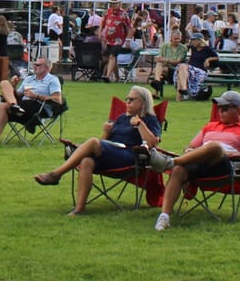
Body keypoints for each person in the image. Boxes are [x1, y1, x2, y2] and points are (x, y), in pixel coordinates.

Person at [35, 85, 164, 214]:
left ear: (143, 103)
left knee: (93, 141)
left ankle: (56, 174)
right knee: (86, 161)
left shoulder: (150, 120)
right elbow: (103, 143)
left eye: (132, 99)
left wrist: (140, 124)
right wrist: (107, 132)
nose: (127, 102)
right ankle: (79, 209)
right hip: (112, 153)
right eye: (127, 99)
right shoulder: (122, 118)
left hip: (130, 157)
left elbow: (153, 143)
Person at [152, 91, 240, 231]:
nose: (220, 111)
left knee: (215, 146)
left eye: (225, 108)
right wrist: (190, 151)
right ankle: (164, 217)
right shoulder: (210, 127)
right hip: (200, 163)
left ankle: (170, 162)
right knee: (178, 170)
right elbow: (191, 147)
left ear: (238, 110)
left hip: (225, 166)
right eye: (219, 108)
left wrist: (225, 153)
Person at [0, 55, 62, 147]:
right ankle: (13, 106)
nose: (35, 66)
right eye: (34, 64)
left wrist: (36, 96)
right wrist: (14, 86)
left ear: (47, 68)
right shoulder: (29, 79)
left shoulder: (52, 80)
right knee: (4, 83)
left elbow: (58, 99)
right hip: (22, 106)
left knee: (2, 106)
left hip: (38, 108)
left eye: (38, 65)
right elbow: (18, 95)